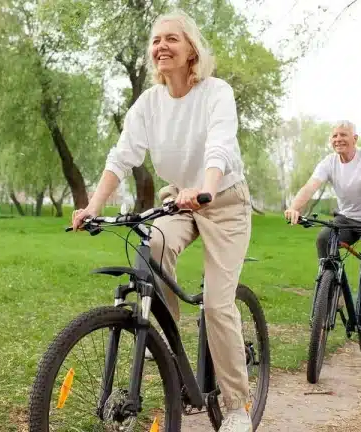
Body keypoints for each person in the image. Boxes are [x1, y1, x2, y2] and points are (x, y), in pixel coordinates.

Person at [71, 9, 254, 432]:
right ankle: (170, 344)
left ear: (191, 49)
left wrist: (205, 188)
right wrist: (93, 205)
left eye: (172, 38)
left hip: (222, 201)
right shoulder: (150, 103)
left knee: (217, 306)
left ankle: (237, 407)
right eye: (156, 40)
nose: (161, 46)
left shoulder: (215, 92)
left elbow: (220, 148)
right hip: (179, 200)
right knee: (149, 242)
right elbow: (121, 156)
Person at [285, 120, 361, 359]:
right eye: (334, 135)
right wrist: (294, 207)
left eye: (343, 135)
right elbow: (310, 186)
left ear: (355, 138)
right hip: (347, 219)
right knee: (324, 239)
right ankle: (335, 291)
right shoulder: (329, 162)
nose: (338, 139)